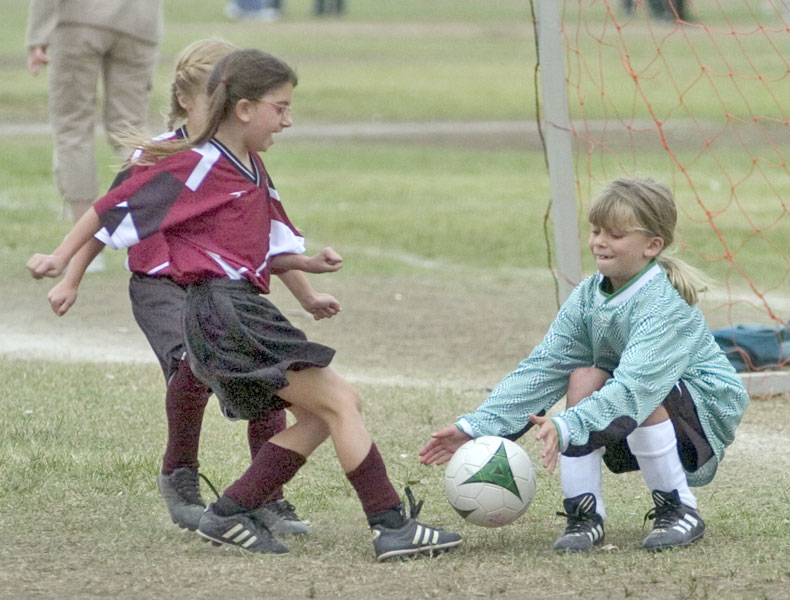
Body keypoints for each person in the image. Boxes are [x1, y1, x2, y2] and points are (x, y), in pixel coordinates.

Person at [28, 48, 462, 561]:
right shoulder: (198, 162)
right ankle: (390, 527)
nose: (288, 120)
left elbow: (256, 247)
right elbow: (109, 209)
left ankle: (233, 511)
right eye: (281, 108)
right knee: (341, 403)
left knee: (320, 414)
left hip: (237, 309)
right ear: (244, 108)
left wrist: (307, 266)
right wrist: (61, 260)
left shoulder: (249, 165)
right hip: (225, 312)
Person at [41, 38, 327, 537]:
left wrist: (306, 294)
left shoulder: (242, 159)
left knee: (265, 374)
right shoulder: (159, 155)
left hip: (222, 290)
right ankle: (179, 475)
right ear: (187, 100)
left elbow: (266, 236)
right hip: (161, 286)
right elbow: (111, 218)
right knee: (191, 366)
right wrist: (70, 276)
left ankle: (266, 494)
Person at [420, 177, 748, 553]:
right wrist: (477, 425)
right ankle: (584, 516)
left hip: (704, 410)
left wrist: (567, 426)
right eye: (595, 231)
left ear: (652, 246)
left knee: (645, 393)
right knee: (583, 377)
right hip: (630, 405)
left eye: (615, 234)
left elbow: (636, 388)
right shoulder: (589, 294)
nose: (599, 242)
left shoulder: (664, 303)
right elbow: (545, 366)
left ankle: (679, 509)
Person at [25, 0, 163, 273]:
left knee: (73, 127)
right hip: (140, 21)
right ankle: (155, 233)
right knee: (131, 130)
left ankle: (83, 246)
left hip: (79, 18)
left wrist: (37, 33)